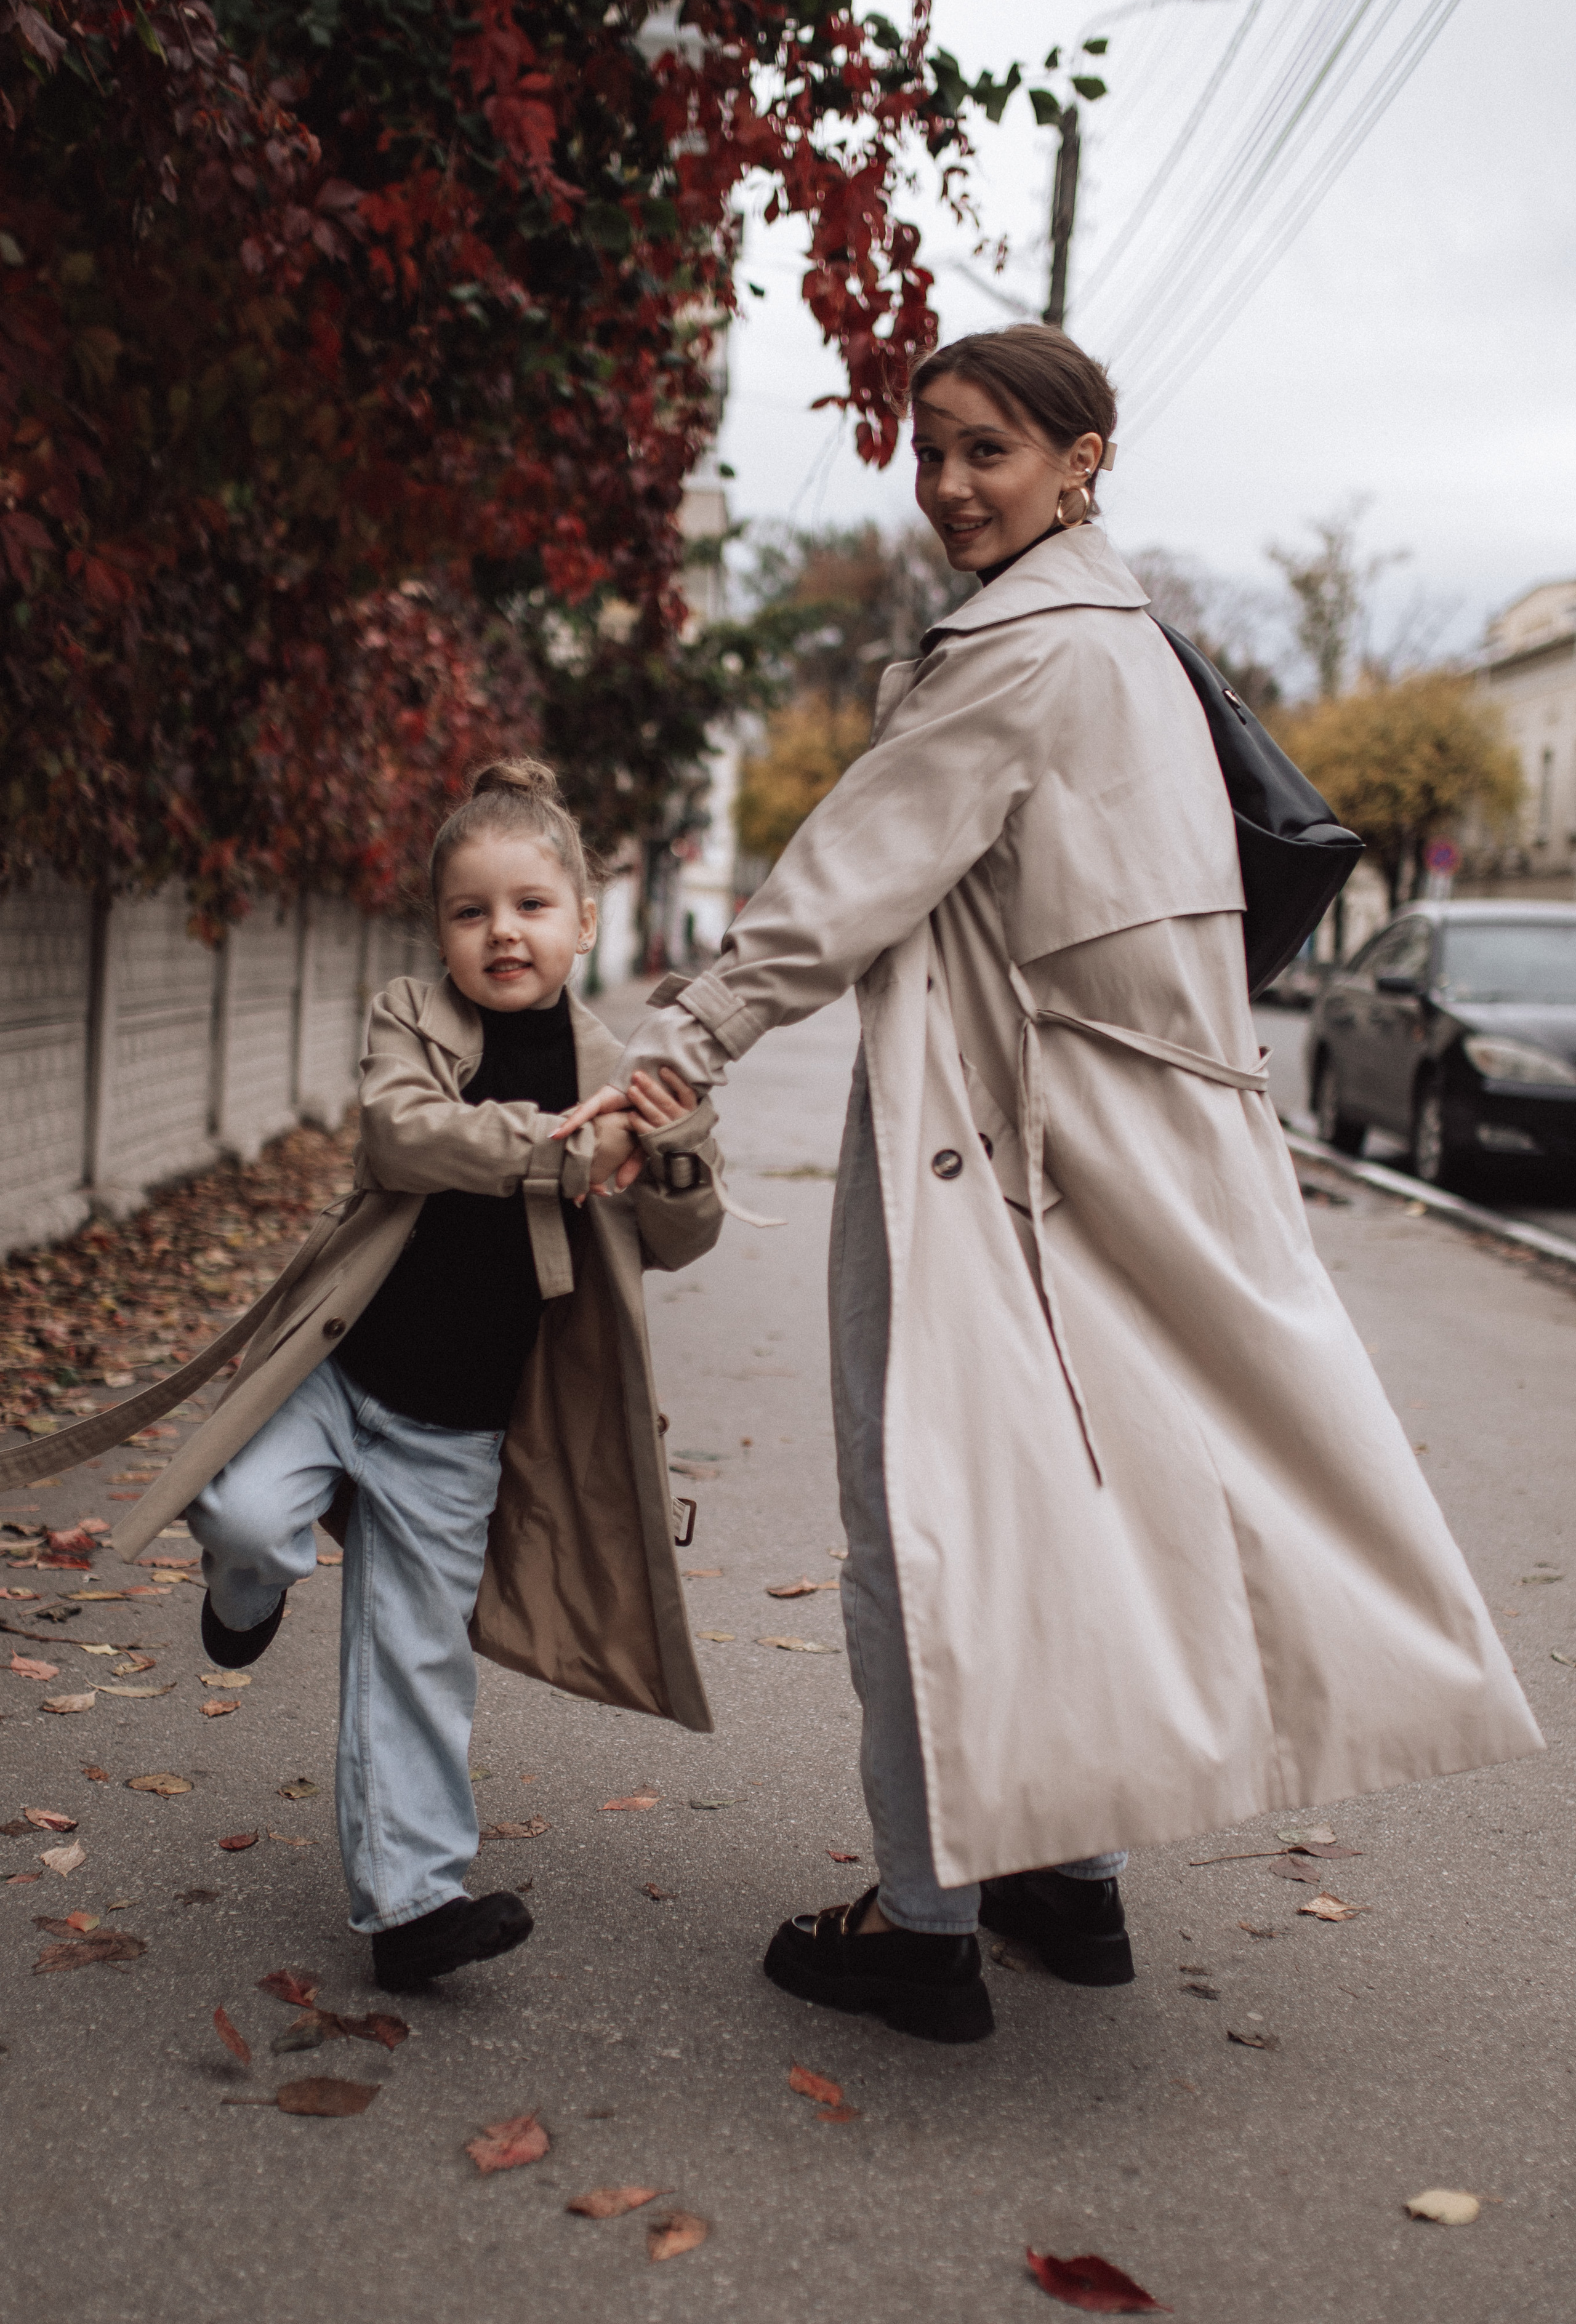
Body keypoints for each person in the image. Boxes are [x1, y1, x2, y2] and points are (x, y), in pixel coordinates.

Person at [555, 325, 1541, 2045]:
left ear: (1084, 459)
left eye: (987, 450)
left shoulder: (1018, 648)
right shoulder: (1137, 646)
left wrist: (672, 1058)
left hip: (1000, 1157)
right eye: (927, 449)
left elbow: (839, 885)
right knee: (1064, 1510)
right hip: (1133, 1155)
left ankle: (922, 1919)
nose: (946, 485)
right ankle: (1064, 1878)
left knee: (918, 1511)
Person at [107, 761, 727, 1992]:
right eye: (470, 910)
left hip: (464, 1430)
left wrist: (671, 1152)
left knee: (415, 1664)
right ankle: (241, 1603)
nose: (502, 932)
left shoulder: (623, 1065)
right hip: (341, 1376)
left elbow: (677, 1237)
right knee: (242, 1516)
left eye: (532, 906)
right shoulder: (415, 1018)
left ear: (583, 920)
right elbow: (398, 1133)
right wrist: (559, 1149)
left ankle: (410, 1906)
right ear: (438, 928)